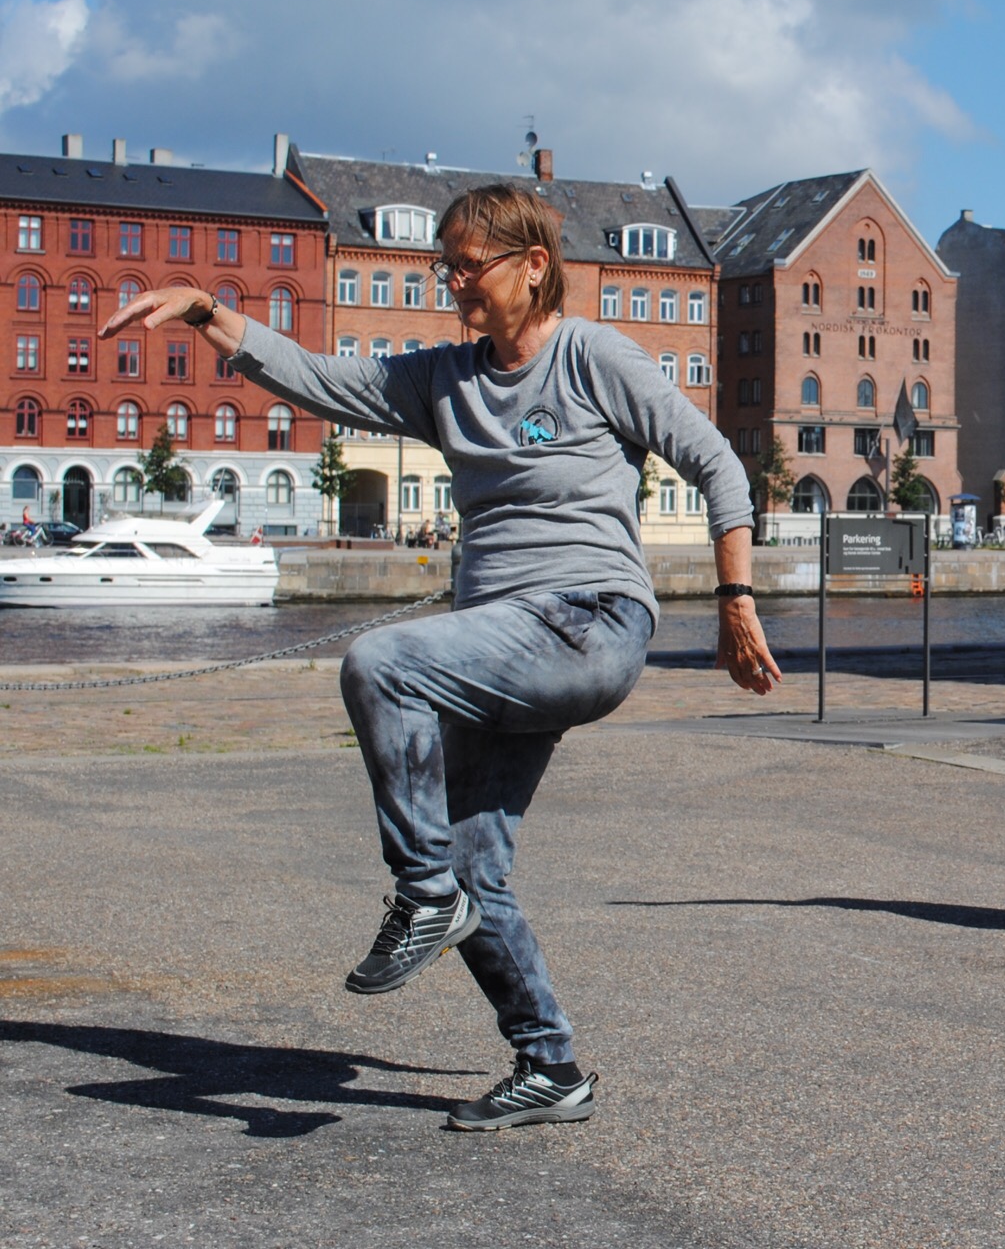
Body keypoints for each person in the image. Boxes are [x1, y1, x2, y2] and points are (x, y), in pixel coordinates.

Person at [100, 184, 784, 1129]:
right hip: (496, 645)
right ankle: (549, 1064)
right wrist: (208, 312)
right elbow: (319, 378)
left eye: (470, 266)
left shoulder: (593, 357)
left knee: (380, 663)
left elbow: (717, 463)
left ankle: (421, 893)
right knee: (474, 868)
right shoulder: (445, 379)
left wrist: (735, 601)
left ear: (533, 266)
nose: (453, 284)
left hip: (586, 621)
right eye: (445, 267)